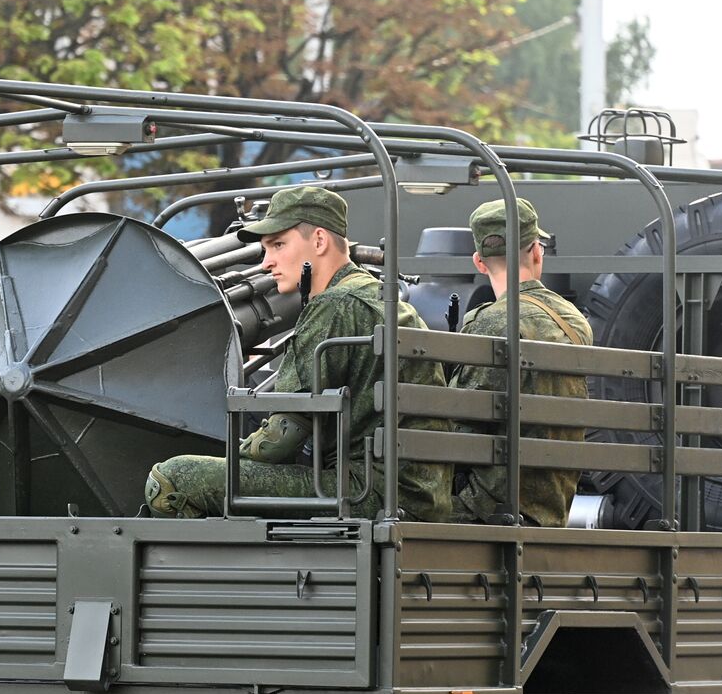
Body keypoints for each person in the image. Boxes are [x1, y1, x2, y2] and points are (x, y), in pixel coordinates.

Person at [144, 186, 452, 521]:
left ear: (319, 241)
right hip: (417, 498)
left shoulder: (335, 305)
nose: (267, 263)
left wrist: (224, 464)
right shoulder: (386, 302)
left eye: (278, 245)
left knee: (172, 480)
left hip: (366, 495)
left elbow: (278, 441)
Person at [449, 198, 593, 527]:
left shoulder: (488, 322)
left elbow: (458, 429)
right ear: (537, 252)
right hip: (552, 507)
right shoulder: (575, 322)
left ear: (479, 263)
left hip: (490, 508)